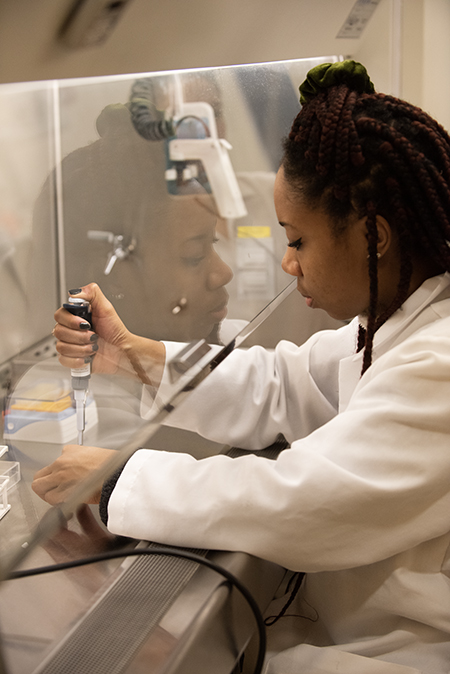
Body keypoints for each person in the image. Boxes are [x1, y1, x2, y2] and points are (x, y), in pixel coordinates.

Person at [32, 60, 450, 673]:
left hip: (410, 649)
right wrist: (135, 355)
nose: (286, 263)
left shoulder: (437, 361)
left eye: (298, 240)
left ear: (373, 237)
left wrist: (118, 478)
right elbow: (282, 383)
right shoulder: (392, 325)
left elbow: (307, 503)